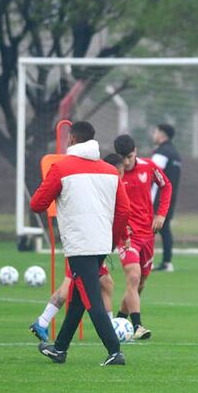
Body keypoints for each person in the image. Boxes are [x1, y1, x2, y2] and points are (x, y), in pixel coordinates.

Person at [31, 121, 130, 366]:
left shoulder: (61, 168)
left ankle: (114, 352)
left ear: (73, 140)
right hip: (100, 243)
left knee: (91, 299)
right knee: (76, 297)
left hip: (80, 244)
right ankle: (60, 349)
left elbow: (37, 204)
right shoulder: (109, 170)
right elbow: (124, 210)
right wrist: (112, 240)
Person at [113, 134, 172, 340]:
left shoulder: (148, 166)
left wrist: (161, 213)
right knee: (133, 277)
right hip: (126, 237)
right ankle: (138, 326)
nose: (126, 162)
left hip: (148, 235)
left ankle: (119, 320)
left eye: (129, 157)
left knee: (139, 284)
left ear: (136, 151)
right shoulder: (113, 174)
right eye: (123, 158)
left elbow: (166, 186)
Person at [150, 123, 181, 272]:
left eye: (155, 131)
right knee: (165, 230)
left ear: (162, 134)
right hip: (170, 198)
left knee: (147, 230)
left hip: (156, 199)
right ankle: (167, 262)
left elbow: (151, 175)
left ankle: (145, 261)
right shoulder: (175, 154)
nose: (154, 134)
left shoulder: (161, 153)